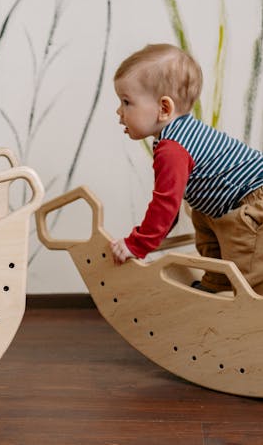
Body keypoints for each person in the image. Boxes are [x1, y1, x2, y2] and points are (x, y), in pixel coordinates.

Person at [111, 43, 263, 293]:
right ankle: (215, 287)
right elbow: (169, 209)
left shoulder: (173, 148)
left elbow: (165, 206)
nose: (119, 112)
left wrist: (137, 245)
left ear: (164, 109)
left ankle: (250, 312)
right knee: (204, 222)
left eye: (127, 102)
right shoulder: (177, 135)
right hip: (224, 204)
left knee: (248, 269)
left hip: (251, 202)